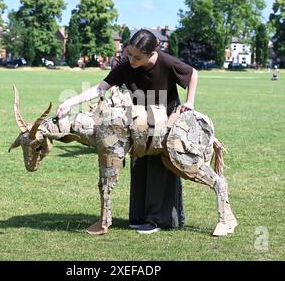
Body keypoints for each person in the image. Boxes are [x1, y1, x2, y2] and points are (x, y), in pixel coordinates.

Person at [56, 29, 198, 234]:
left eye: (137, 57)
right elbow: (100, 88)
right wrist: (71, 101)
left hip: (164, 121)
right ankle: (139, 216)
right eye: (129, 54)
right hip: (139, 121)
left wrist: (190, 102)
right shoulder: (125, 66)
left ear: (151, 54)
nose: (131, 60)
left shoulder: (166, 61)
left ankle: (156, 219)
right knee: (139, 166)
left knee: (159, 168)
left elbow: (193, 74)